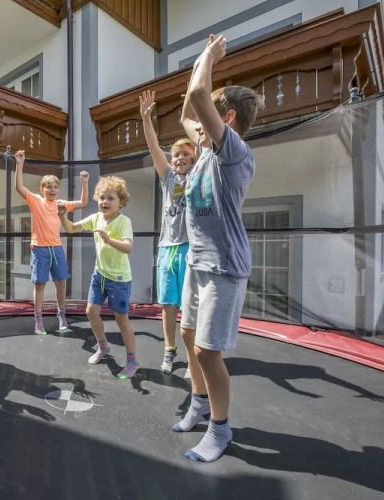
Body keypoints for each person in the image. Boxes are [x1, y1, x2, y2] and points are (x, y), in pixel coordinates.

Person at [172, 34, 265, 463]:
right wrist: (199, 60)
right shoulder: (205, 149)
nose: (199, 121)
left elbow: (196, 96)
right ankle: (198, 404)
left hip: (224, 267)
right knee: (188, 336)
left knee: (208, 351)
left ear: (225, 118)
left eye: (210, 113)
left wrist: (210, 56)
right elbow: (186, 111)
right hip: (198, 262)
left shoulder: (234, 153)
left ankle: (220, 429)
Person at [139, 89, 197, 374]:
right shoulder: (168, 177)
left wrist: (194, 108)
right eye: (176, 154)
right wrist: (146, 119)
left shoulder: (198, 175)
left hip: (190, 247)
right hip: (166, 248)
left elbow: (206, 145)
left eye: (186, 154)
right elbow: (153, 147)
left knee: (190, 306)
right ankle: (169, 350)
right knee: (168, 305)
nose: (179, 157)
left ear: (194, 159)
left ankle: (193, 357)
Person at [58, 176, 138, 379]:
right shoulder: (96, 218)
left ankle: (132, 360)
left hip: (119, 279)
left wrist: (109, 240)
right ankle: (103, 347)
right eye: (102, 197)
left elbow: (128, 247)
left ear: (121, 201)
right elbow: (71, 228)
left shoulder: (124, 222)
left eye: (111, 198)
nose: (105, 202)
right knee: (91, 312)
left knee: (121, 320)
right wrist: (62, 216)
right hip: (100, 275)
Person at [14, 149, 89, 335]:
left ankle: (62, 316)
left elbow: (83, 202)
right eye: (48, 187)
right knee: (40, 285)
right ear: (42, 189)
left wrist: (84, 182)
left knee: (61, 283)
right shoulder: (36, 201)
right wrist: (19, 164)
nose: (52, 190)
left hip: (56, 249)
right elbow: (19, 188)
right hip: (39, 249)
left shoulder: (61, 204)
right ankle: (38, 320)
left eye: (55, 187)